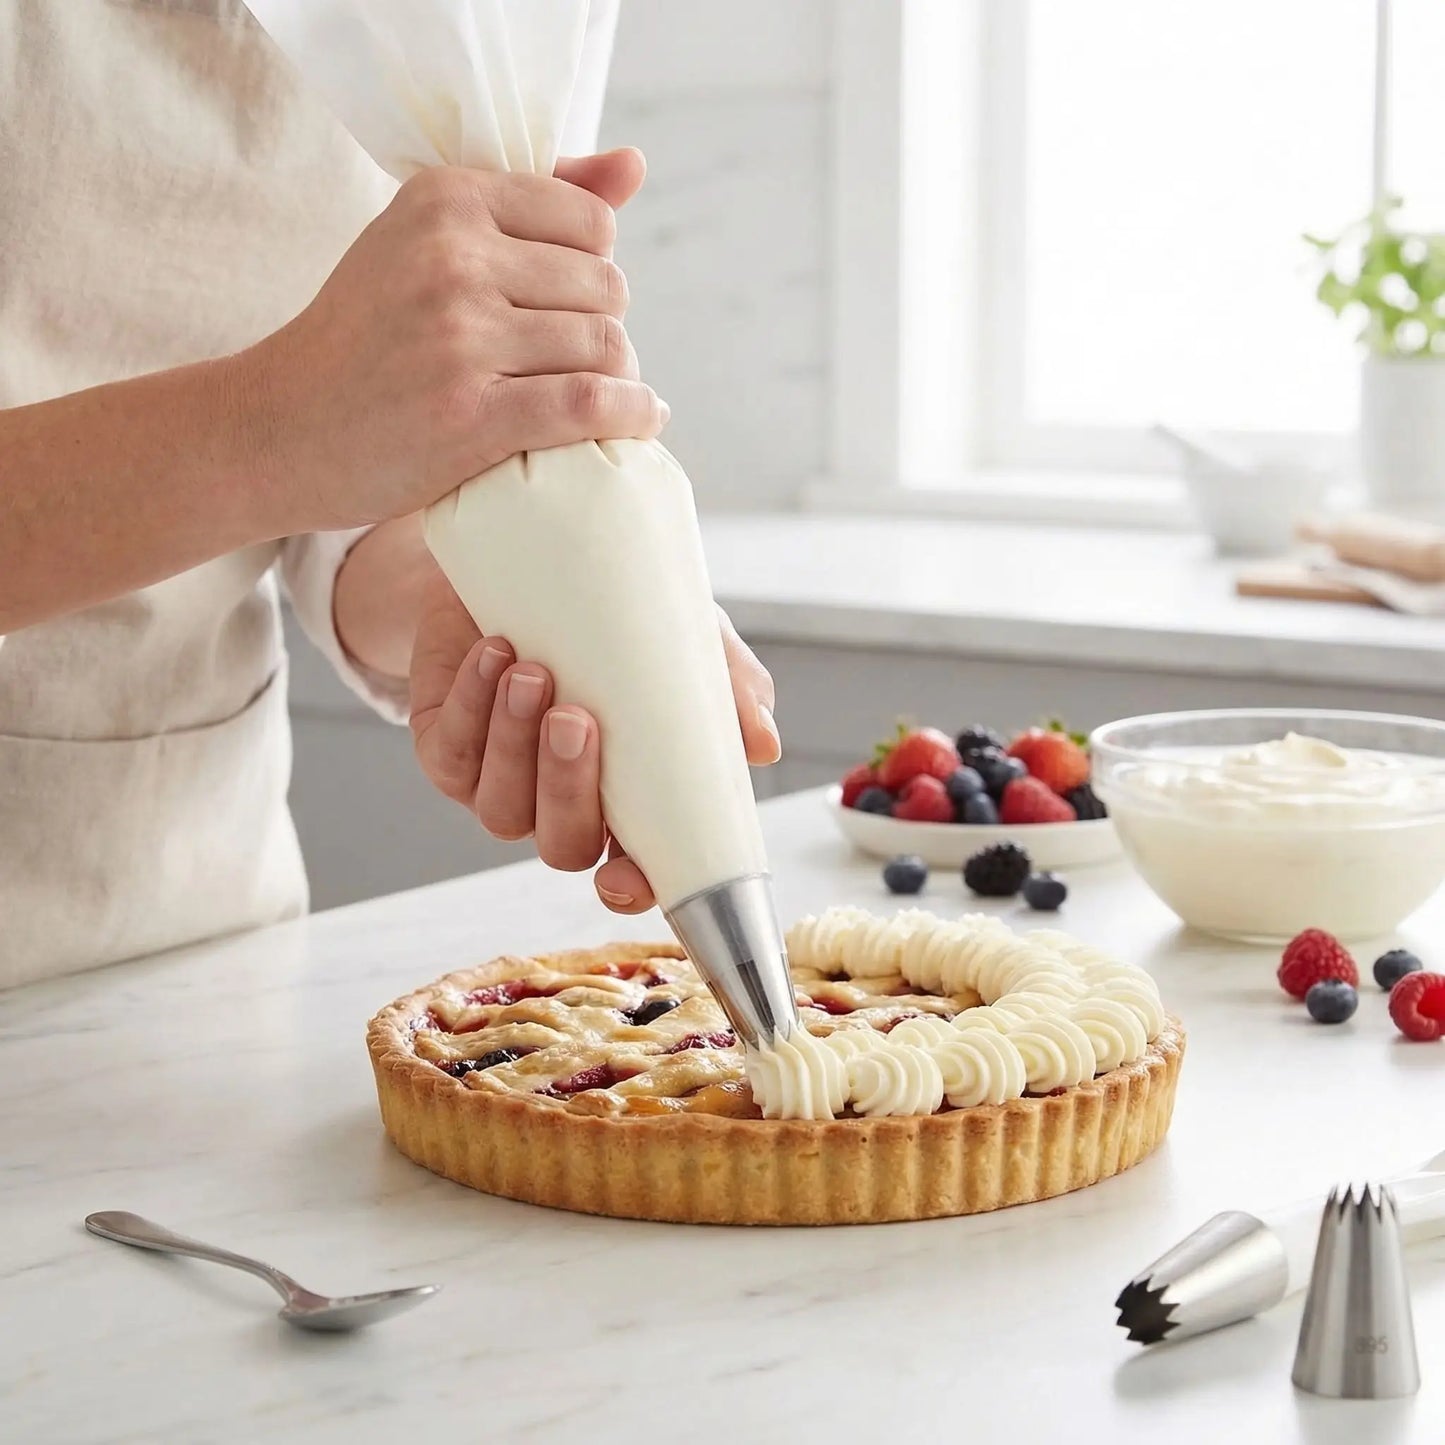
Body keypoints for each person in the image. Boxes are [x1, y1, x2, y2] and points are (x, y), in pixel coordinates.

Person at [0, 0, 779, 991]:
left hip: (197, 957)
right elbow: (319, 420)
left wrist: (526, 601)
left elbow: (387, 433)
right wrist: (273, 423)